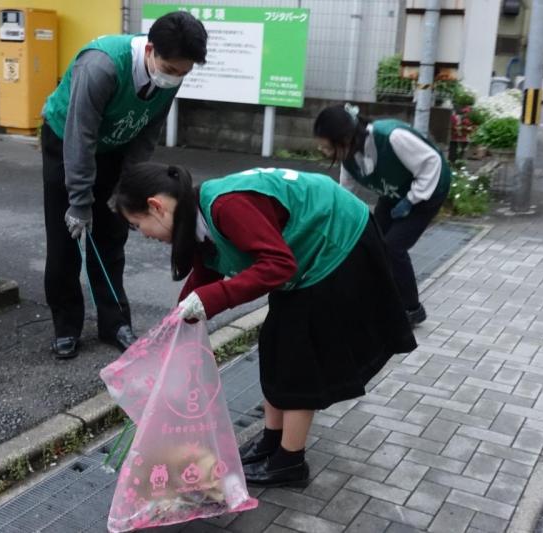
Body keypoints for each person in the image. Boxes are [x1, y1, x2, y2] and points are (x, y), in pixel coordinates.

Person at [112, 164, 417, 488]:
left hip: (336, 239)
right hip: (304, 252)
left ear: (156, 206)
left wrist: (213, 299)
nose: (142, 234)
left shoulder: (226, 206)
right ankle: (271, 441)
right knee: (274, 344)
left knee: (298, 354)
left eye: (137, 224)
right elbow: (208, 269)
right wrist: (179, 319)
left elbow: (278, 266)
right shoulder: (195, 212)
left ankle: (289, 461)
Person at [40, 12, 208, 358]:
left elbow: (147, 133)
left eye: (183, 73)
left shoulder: (170, 77)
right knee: (65, 241)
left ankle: (114, 321)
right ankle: (66, 325)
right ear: (149, 50)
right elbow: (80, 137)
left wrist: (127, 189)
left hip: (116, 148)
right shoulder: (101, 67)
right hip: (65, 143)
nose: (174, 78)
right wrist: (79, 201)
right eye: (170, 69)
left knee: (111, 236)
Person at [314, 104, 452, 327]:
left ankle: (412, 309)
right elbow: (345, 193)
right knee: (373, 242)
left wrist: (412, 199)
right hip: (394, 191)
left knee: (393, 248)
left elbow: (432, 163)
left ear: (346, 138)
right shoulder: (349, 153)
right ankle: (379, 299)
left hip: (428, 190)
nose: (325, 152)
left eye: (328, 147)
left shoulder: (392, 137)